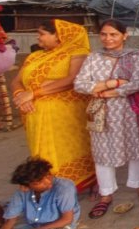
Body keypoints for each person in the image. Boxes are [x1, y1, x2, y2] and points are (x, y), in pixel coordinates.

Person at [74, 19, 139, 219]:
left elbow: (136, 84)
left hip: (130, 111)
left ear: (124, 35)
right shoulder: (94, 57)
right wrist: (113, 82)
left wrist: (101, 90)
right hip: (102, 113)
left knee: (136, 147)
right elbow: (80, 84)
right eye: (104, 34)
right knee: (102, 151)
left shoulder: (135, 57)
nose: (108, 38)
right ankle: (106, 194)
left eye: (113, 34)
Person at [10, 19, 94, 191]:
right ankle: (43, 182)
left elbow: (72, 80)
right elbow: (17, 81)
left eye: (42, 34)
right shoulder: (35, 56)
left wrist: (34, 94)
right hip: (34, 113)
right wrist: (21, 96)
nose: (38, 37)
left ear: (59, 36)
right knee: (40, 151)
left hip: (64, 115)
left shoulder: (77, 52)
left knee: (66, 150)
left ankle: (68, 184)